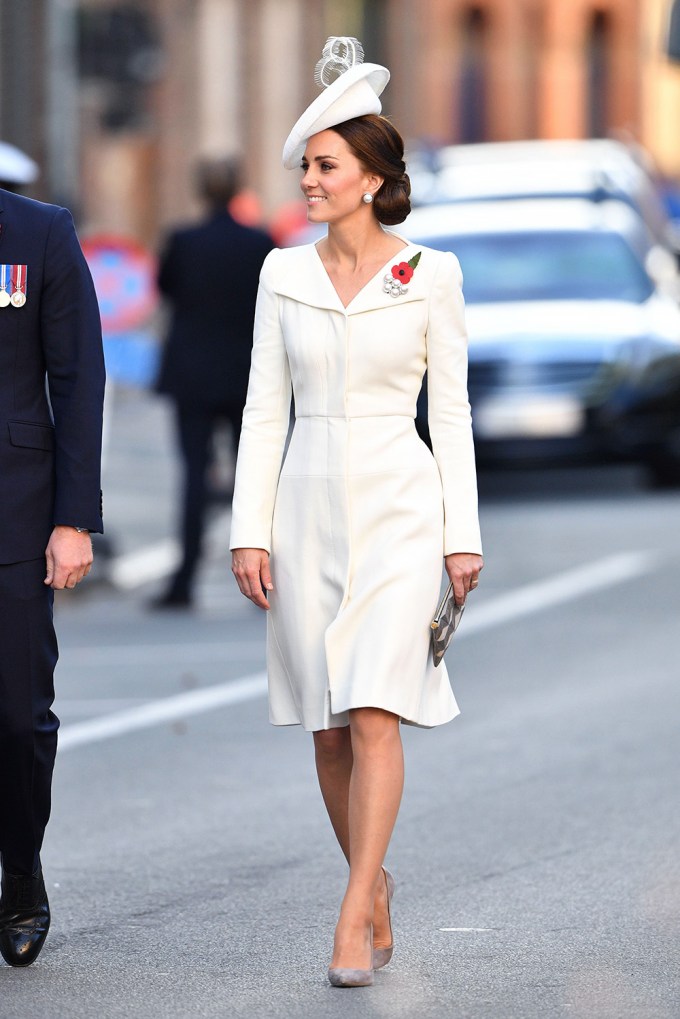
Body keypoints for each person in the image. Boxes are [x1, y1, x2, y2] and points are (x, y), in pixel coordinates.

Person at [230, 37, 483, 988]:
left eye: (325, 166)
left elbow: (450, 414)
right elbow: (263, 409)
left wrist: (462, 537)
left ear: (371, 180)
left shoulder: (433, 275)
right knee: (328, 727)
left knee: (376, 708)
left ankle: (349, 916)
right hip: (302, 509)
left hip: (401, 509)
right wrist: (248, 528)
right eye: (305, 165)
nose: (308, 180)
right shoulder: (280, 274)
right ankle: (373, 882)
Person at [0, 178, 105, 967]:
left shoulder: (38, 233)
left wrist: (72, 518)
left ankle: (21, 871)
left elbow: (77, 378)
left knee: (18, 717)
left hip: (16, 509)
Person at [153, 158, 274, 608]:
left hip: (193, 374)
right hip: (247, 374)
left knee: (193, 476)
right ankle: (267, 579)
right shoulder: (260, 242)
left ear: (202, 192)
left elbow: (165, 288)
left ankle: (184, 581)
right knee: (256, 478)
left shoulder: (183, 241)